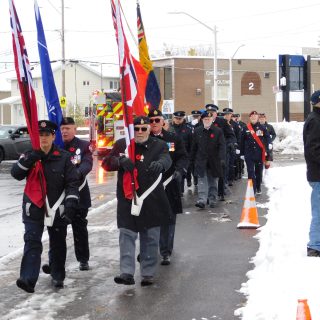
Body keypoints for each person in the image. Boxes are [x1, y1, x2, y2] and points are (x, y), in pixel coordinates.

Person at [101, 116, 172, 286]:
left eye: (143, 129)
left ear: (149, 129)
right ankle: (126, 272)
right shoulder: (122, 144)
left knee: (150, 237)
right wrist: (119, 161)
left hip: (151, 197)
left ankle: (147, 273)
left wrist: (161, 164)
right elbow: (106, 163)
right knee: (127, 234)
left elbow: (167, 159)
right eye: (136, 129)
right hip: (128, 198)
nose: (139, 132)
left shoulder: (159, 145)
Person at [11, 120, 80, 293]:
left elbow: (72, 182)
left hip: (56, 208)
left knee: (57, 243)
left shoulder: (63, 157)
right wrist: (30, 159)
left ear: (53, 136)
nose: (43, 138)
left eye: (46, 135)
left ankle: (57, 275)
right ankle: (28, 279)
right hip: (33, 207)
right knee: (32, 241)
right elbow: (16, 174)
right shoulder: (29, 155)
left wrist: (71, 202)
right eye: (40, 135)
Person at [148, 109, 188, 265]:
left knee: (169, 218)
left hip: (169, 183)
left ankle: (165, 251)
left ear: (163, 122)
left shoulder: (172, 139)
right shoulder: (144, 139)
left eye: (157, 120)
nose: (154, 124)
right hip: (149, 186)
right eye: (151, 121)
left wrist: (180, 170)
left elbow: (183, 156)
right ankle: (151, 249)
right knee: (151, 219)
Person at [191, 111, 226, 208]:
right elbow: (194, 147)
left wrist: (222, 158)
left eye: (209, 119)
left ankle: (212, 199)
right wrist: (192, 159)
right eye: (205, 119)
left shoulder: (218, 131)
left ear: (212, 120)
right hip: (201, 160)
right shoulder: (197, 131)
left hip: (214, 161)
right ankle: (202, 200)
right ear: (202, 120)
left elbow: (222, 146)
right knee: (202, 180)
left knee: (213, 181)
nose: (207, 121)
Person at [303, 90, 320, 257]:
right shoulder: (315, 121)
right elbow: (313, 149)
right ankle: (315, 245)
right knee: (319, 211)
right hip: (318, 174)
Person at [240, 111, 271, 195]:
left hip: (259, 153)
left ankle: (258, 187)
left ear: (257, 118)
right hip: (249, 154)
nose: (253, 117)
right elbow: (241, 141)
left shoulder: (262, 127)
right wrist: (242, 153)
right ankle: (252, 189)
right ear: (250, 118)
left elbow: (268, 137)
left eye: (255, 116)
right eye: (252, 116)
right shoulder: (245, 128)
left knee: (258, 172)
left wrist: (269, 146)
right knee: (250, 172)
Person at [171, 111, 193, 189]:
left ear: (183, 119)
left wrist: (190, 156)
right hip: (172, 154)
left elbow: (191, 144)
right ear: (173, 118)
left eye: (180, 119)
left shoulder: (188, 129)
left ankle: (180, 191)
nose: (178, 120)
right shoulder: (169, 129)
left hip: (184, 155)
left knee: (182, 172)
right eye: (176, 118)